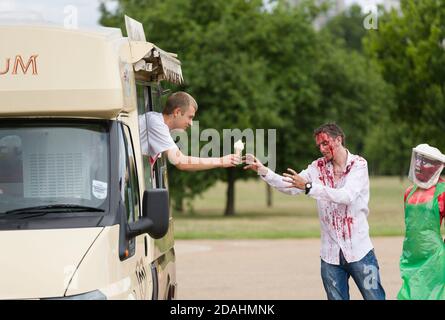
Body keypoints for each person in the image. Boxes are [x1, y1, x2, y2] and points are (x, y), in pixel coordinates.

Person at [243, 123, 385, 300]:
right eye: (319, 145)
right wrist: (263, 171)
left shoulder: (359, 165)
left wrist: (309, 187)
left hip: (360, 251)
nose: (322, 148)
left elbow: (346, 196)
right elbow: (291, 186)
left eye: (325, 143)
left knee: (375, 298)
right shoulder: (316, 167)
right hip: (330, 256)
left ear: (338, 139)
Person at [139, 91, 240, 172]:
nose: (191, 123)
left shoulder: (157, 122)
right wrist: (221, 161)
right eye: (190, 117)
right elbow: (181, 162)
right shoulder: (156, 124)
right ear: (177, 112)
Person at [398, 144, 445, 300]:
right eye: (418, 161)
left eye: (424, 162)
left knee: (433, 295)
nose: (419, 165)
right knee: (408, 294)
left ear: (434, 166)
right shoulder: (409, 192)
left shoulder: (442, 192)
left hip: (433, 256)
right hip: (410, 254)